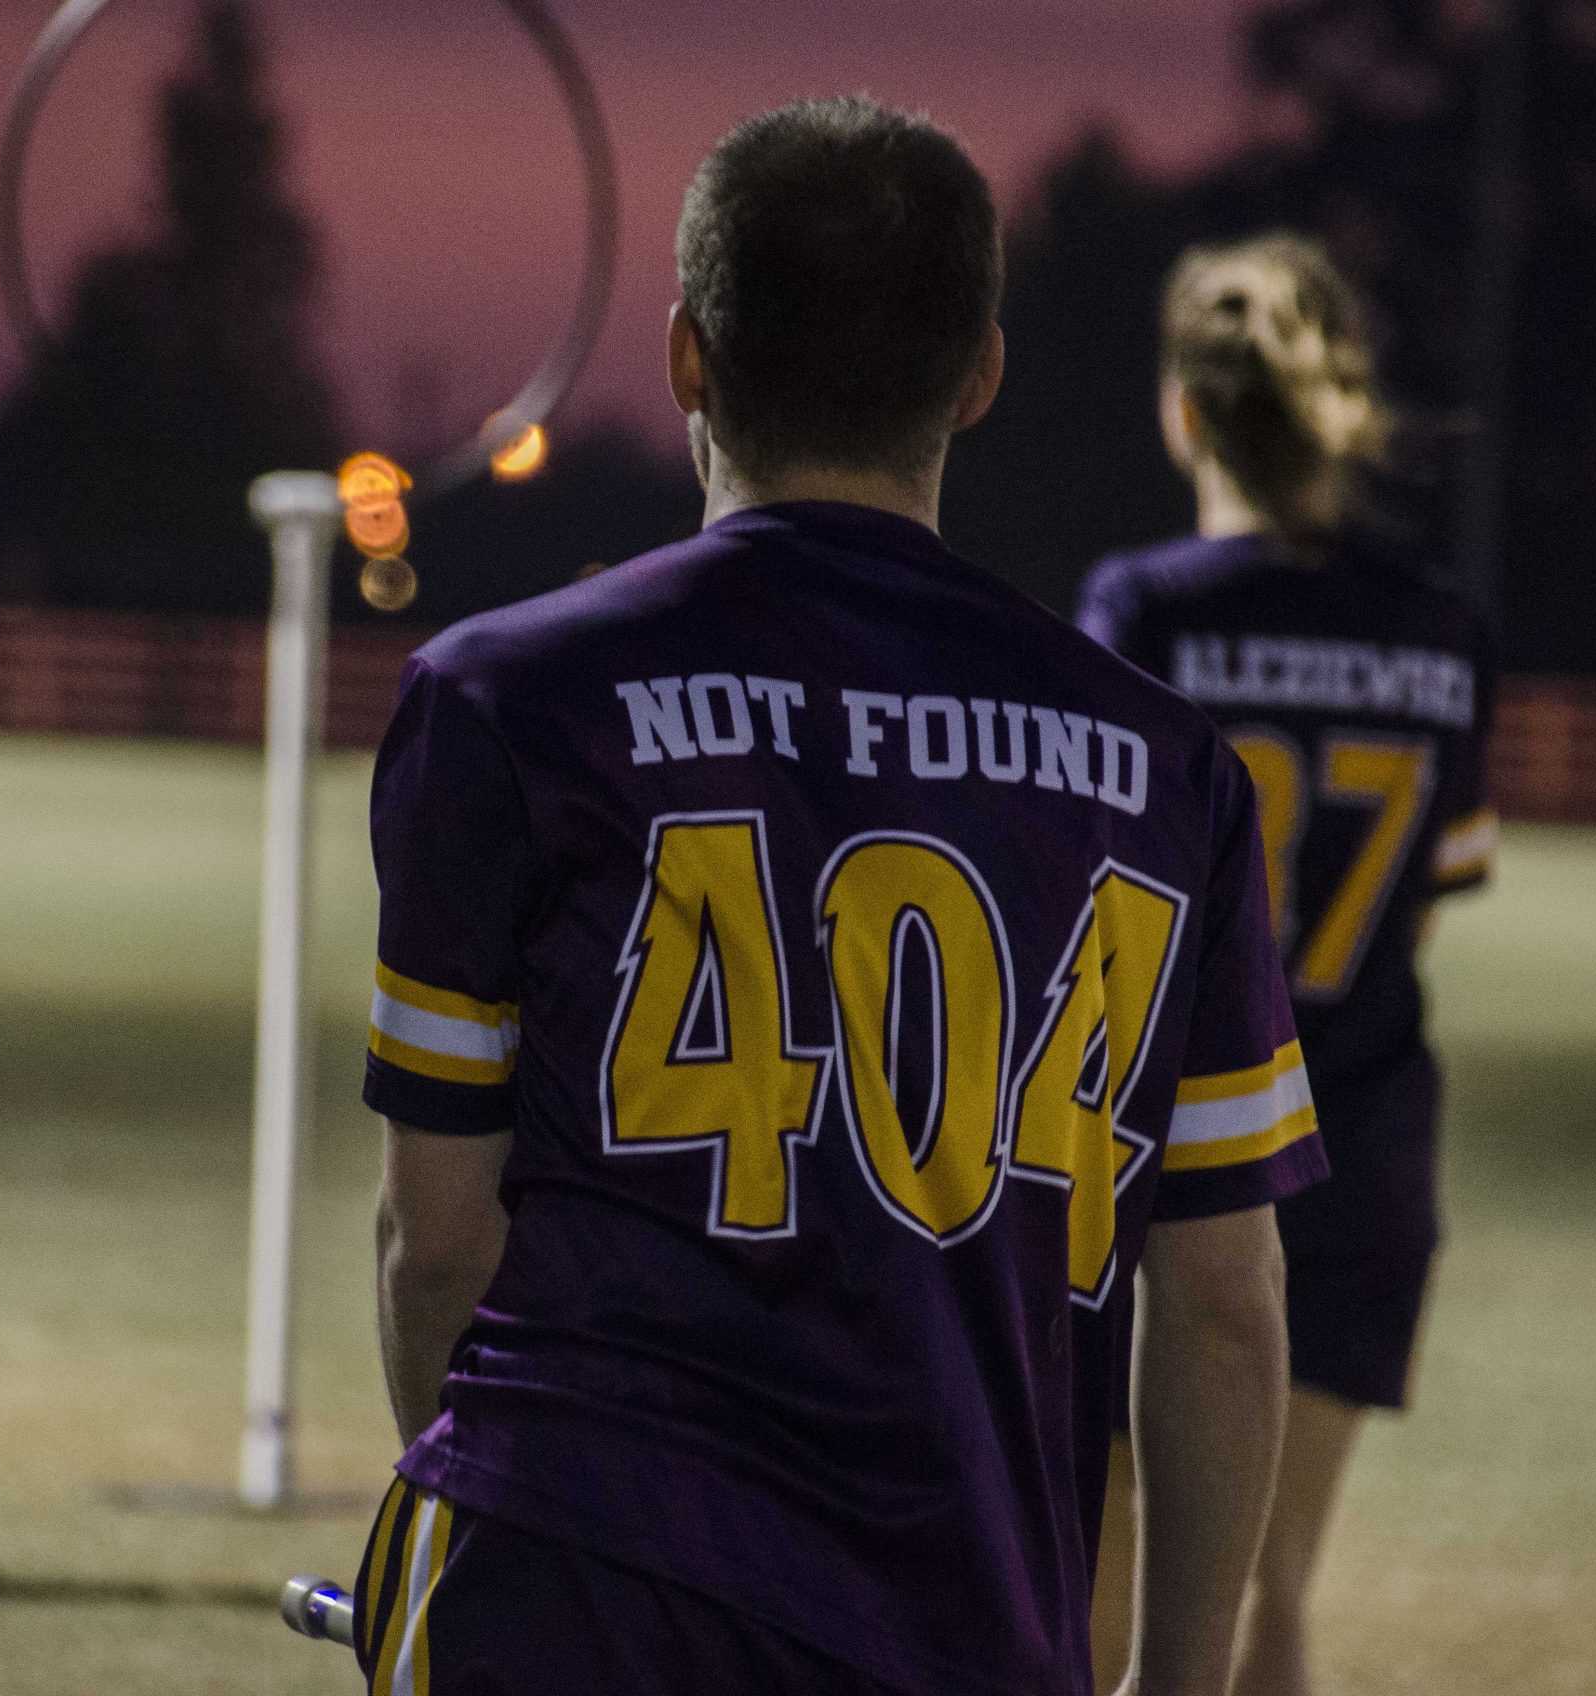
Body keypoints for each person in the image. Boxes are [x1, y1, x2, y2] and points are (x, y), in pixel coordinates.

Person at [352, 98, 1328, 1696]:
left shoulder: (504, 698)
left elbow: (434, 1237)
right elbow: (1222, 1303)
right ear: (980, 372)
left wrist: (483, 1518)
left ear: (686, 354)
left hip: (581, 1573)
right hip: (959, 1608)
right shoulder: (1162, 768)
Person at [1075, 235, 1496, 1696]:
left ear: (1185, 413)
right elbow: (1430, 902)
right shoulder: (1441, 623)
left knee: (1121, 1562)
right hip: (1364, 1127)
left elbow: (1103, 897)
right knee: (1268, 1585)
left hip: (1171, 1143)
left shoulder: (1145, 610)